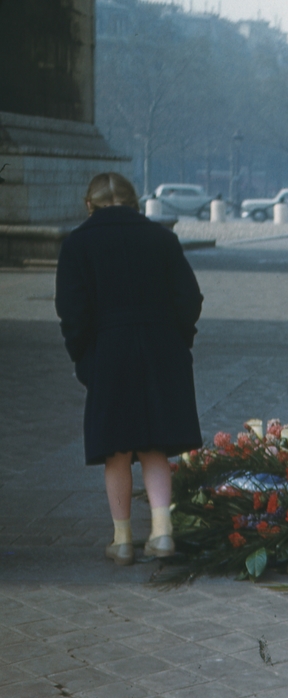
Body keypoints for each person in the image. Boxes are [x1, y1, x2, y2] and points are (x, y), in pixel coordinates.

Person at [55, 173, 204, 565]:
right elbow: (189, 298)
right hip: (161, 346)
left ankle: (122, 540)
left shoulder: (77, 244)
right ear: (134, 202)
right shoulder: (162, 238)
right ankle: (162, 533)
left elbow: (72, 312)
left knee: (116, 450)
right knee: (155, 445)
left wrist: (85, 358)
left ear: (90, 204)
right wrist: (177, 341)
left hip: (108, 349)